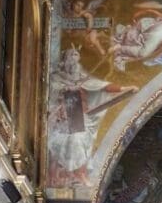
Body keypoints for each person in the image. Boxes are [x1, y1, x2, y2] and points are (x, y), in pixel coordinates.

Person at [48, 47, 138, 185]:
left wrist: (124, 88)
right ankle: (72, 173)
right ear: (64, 59)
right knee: (73, 141)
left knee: (82, 140)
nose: (74, 58)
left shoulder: (82, 77)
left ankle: (80, 173)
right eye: (71, 55)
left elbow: (102, 86)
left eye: (76, 55)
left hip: (79, 112)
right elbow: (52, 90)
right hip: (65, 113)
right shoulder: (57, 77)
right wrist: (68, 88)